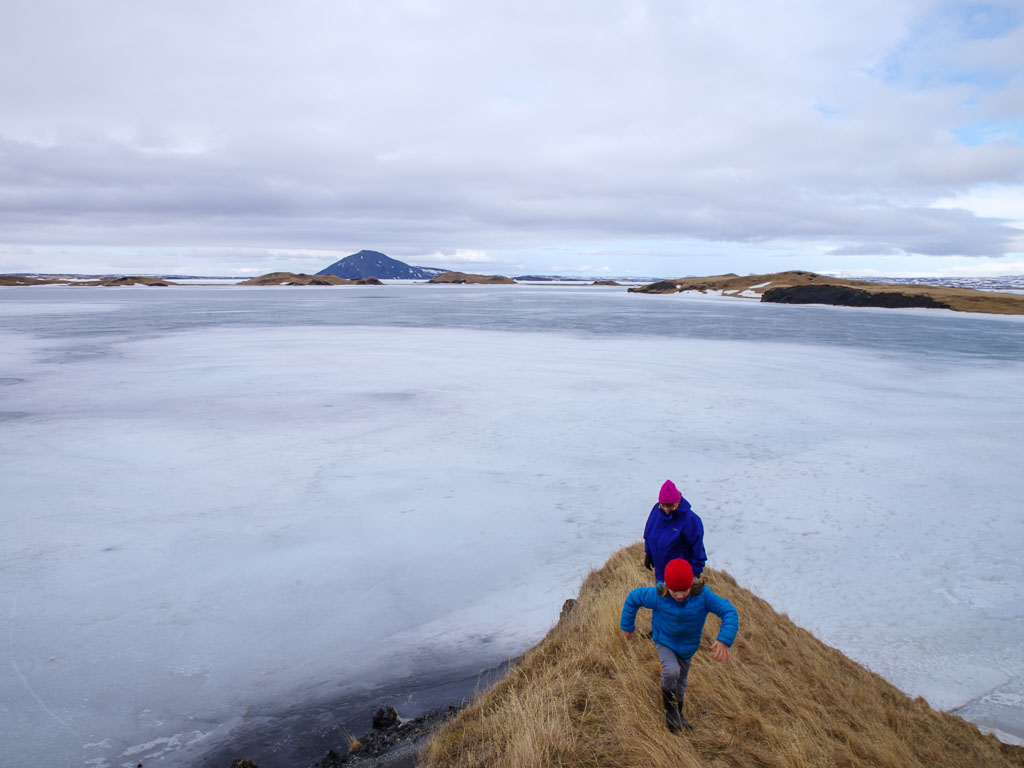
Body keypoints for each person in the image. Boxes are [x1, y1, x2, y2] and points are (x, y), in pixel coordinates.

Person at [620, 558, 738, 732]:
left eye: (684, 590)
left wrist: (724, 640)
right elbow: (633, 599)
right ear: (667, 586)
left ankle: (678, 715)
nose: (680, 595)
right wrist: (628, 627)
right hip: (664, 642)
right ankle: (669, 710)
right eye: (675, 591)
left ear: (692, 583)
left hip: (688, 647)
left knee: (681, 682)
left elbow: (728, 610)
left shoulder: (703, 596)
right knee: (671, 671)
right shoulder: (658, 595)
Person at [643, 479, 707, 583]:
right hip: (660, 574)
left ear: (679, 501)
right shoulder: (656, 510)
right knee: (661, 599)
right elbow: (648, 533)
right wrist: (648, 554)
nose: (666, 510)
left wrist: (693, 576)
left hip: (681, 578)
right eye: (663, 505)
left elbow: (697, 551)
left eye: (671, 506)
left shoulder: (691, 520)